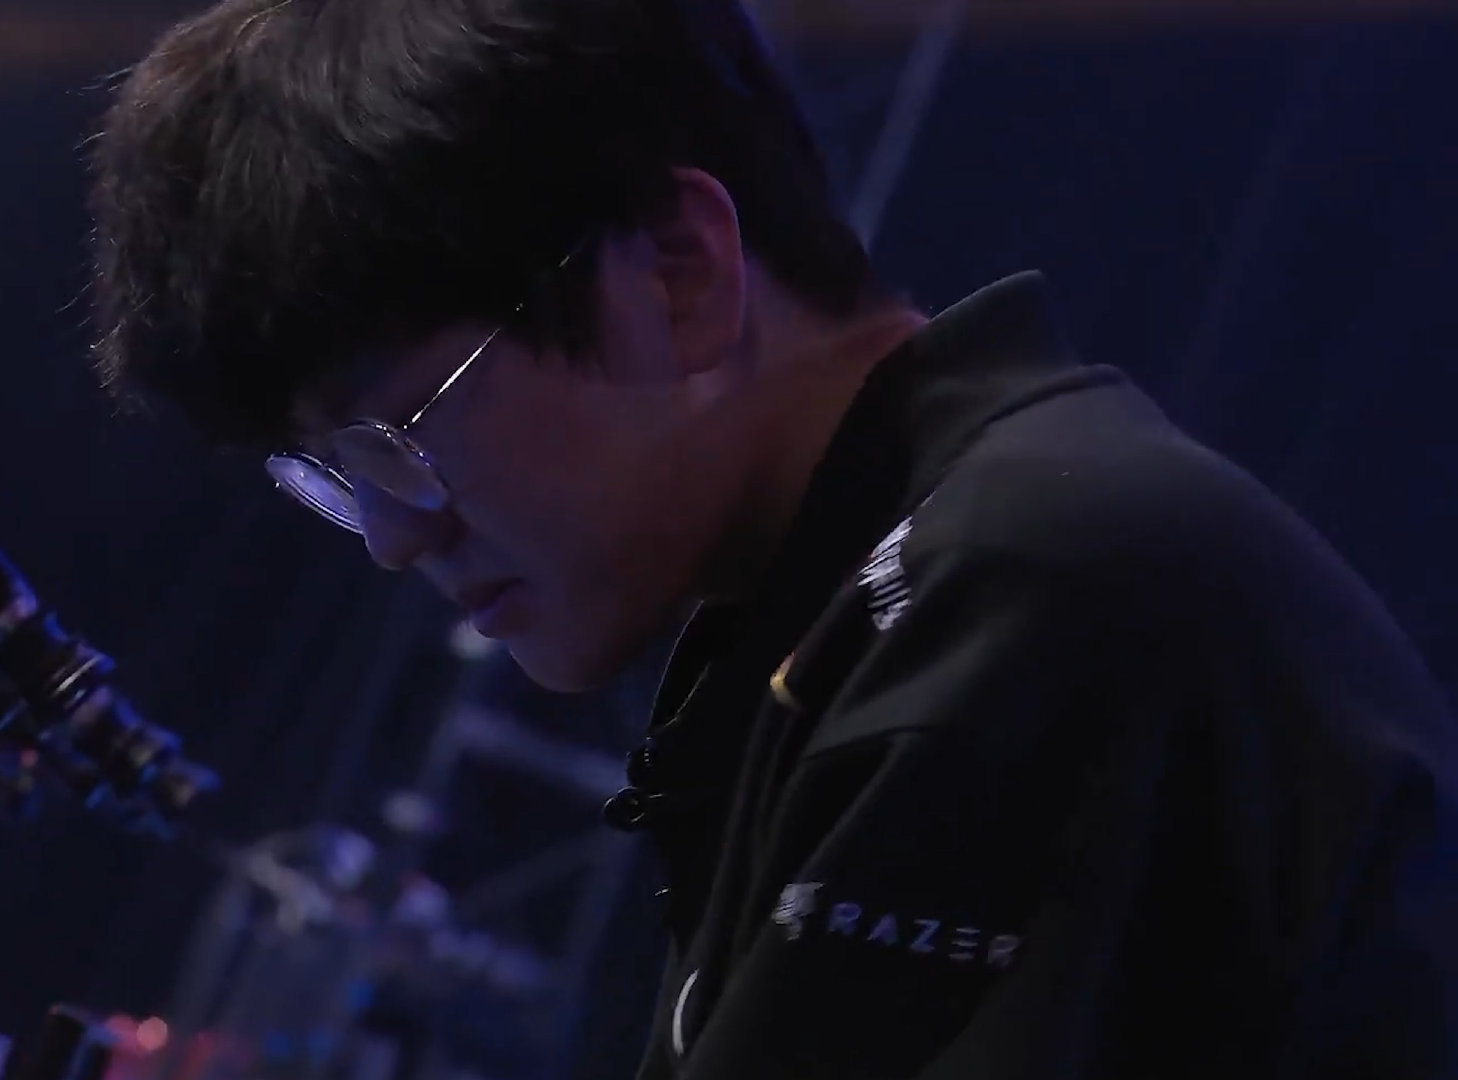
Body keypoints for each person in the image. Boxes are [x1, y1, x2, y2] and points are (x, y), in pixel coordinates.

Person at [85, 0, 1458, 1077]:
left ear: (678, 269)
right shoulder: (884, 605)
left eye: (396, 434)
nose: (391, 540)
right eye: (332, 476)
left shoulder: (1034, 581)